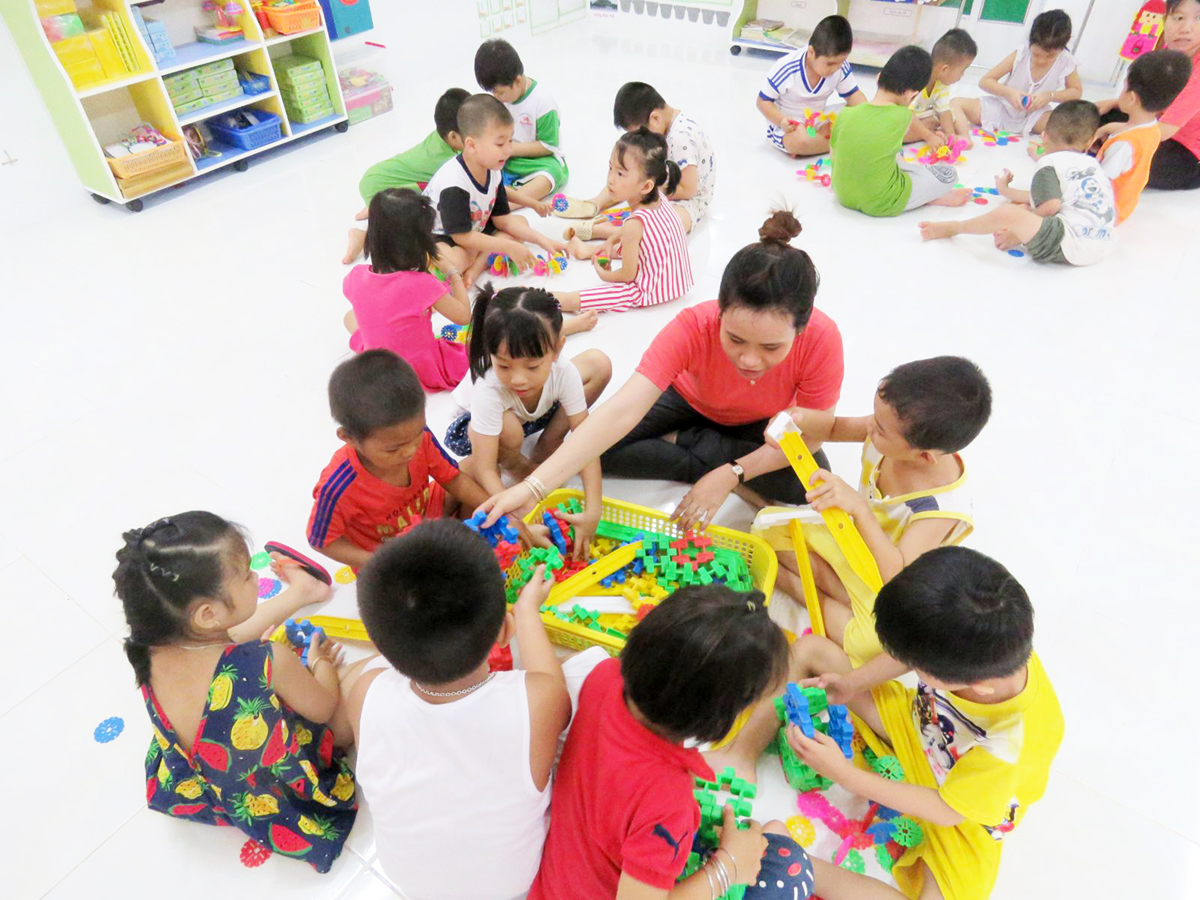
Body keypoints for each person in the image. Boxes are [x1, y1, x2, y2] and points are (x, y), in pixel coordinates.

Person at [477, 212, 844, 533]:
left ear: (801, 328)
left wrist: (730, 473)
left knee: (806, 481)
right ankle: (699, 446)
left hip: (761, 421)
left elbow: (811, 436)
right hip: (688, 402)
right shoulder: (693, 326)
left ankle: (693, 448)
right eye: (734, 339)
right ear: (719, 311)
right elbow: (620, 411)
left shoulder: (822, 339)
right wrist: (533, 487)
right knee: (596, 449)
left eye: (771, 348)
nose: (749, 360)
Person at [341, 520, 605, 900]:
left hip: (408, 877)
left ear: (377, 639)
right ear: (504, 631)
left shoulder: (364, 692)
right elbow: (551, 687)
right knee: (589, 669)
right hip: (511, 883)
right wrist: (527, 611)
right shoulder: (538, 701)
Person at [787, 548, 1064, 900]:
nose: (910, 666)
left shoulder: (1016, 742)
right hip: (915, 730)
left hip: (960, 812)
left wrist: (844, 774)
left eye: (919, 667)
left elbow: (947, 811)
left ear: (977, 685)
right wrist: (853, 683)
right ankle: (743, 752)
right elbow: (907, 652)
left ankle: (796, 865)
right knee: (813, 650)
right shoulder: (982, 646)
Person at [527, 585, 825, 900]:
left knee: (771, 835)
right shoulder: (667, 802)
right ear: (720, 720)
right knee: (791, 868)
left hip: (556, 883)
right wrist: (728, 867)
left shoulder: (603, 677)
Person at [115, 512, 356, 871]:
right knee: (355, 687)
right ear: (207, 614)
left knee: (230, 642)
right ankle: (307, 597)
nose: (256, 577)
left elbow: (224, 640)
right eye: (246, 575)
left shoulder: (150, 646)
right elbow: (322, 708)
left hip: (203, 782)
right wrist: (321, 663)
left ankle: (303, 591)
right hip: (274, 790)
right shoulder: (269, 659)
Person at [755, 356, 992, 663]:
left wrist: (859, 510)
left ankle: (792, 582)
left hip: (886, 575)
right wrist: (798, 417)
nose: (869, 427)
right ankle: (841, 596)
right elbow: (835, 427)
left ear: (924, 456)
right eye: (875, 416)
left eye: (879, 429)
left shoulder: (940, 508)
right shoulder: (891, 428)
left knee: (873, 642)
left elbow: (896, 573)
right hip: (849, 542)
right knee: (766, 526)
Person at [445, 285, 612, 555]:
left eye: (532, 366)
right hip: (476, 425)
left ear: (557, 350)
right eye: (504, 365)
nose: (519, 379)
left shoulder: (562, 371)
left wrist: (594, 509)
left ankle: (548, 443)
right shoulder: (488, 387)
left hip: (529, 413)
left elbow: (586, 441)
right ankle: (514, 462)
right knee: (509, 431)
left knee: (598, 363)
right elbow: (486, 470)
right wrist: (515, 517)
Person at [306, 350, 499, 570]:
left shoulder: (417, 436)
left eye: (416, 435)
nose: (410, 451)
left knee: (473, 467)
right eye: (393, 449)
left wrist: (498, 511)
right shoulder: (337, 487)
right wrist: (382, 561)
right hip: (395, 554)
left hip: (429, 516)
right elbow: (320, 541)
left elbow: (454, 479)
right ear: (348, 438)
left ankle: (466, 541)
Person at [920, 101, 1117, 266]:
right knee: (1025, 208)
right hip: (1103, 244)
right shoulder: (1092, 165)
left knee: (1010, 213)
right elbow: (1051, 197)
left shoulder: (1048, 163)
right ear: (1090, 141)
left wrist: (1016, 234)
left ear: (1044, 136)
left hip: (1069, 243)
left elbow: (1050, 205)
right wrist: (1007, 191)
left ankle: (955, 228)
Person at [423, 94, 567, 285]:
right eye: (500, 144)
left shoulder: (493, 168)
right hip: (444, 235)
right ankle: (470, 258)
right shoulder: (454, 184)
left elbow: (503, 221)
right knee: (458, 260)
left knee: (520, 223)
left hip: (474, 227)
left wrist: (544, 241)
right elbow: (461, 236)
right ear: (471, 145)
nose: (508, 150)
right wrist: (507, 246)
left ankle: (475, 269)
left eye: (510, 141)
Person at [554, 129, 694, 319]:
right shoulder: (659, 198)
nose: (610, 179)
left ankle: (545, 299)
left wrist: (604, 275)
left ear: (646, 186)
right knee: (629, 244)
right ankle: (587, 251)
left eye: (620, 173)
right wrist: (610, 240)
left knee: (581, 298)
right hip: (677, 281)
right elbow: (639, 235)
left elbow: (628, 275)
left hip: (651, 290)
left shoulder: (634, 224)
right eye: (610, 168)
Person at [342, 189, 470, 392]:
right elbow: (463, 316)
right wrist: (453, 273)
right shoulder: (422, 284)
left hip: (381, 365)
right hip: (420, 367)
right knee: (475, 349)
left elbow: (382, 299)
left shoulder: (354, 277)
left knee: (350, 317)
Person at [556, 82, 715, 237]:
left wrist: (647, 190)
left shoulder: (680, 139)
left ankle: (603, 230)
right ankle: (595, 203)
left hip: (688, 202)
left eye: (641, 133)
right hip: (657, 181)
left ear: (655, 118)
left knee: (666, 227)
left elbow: (688, 190)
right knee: (625, 175)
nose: (642, 138)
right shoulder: (663, 126)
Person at [831, 45, 972, 217]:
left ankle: (921, 195)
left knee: (894, 157)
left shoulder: (845, 113)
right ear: (911, 94)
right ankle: (928, 198)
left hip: (843, 195)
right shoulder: (903, 115)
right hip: (881, 203)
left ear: (879, 77)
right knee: (948, 174)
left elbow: (834, 156)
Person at [342, 88, 470, 265]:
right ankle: (365, 236)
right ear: (454, 136)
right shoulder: (450, 161)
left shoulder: (443, 137)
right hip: (380, 185)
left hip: (377, 178)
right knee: (417, 224)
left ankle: (375, 206)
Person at [1097, 0, 1200, 191]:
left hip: (1186, 154)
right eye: (1178, 18)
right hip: (1153, 127)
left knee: (1128, 151)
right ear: (1165, 20)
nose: (1186, 28)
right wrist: (1115, 104)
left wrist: (1112, 129)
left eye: (1198, 18)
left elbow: (1163, 131)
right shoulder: (1168, 54)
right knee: (1096, 115)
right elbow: (1145, 101)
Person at [950, 9, 1082, 138]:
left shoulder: (1066, 61)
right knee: (956, 103)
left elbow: (1076, 91)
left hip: (1035, 116)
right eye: (1036, 54)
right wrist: (1009, 93)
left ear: (1062, 49)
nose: (1041, 61)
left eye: (1050, 56)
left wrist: (1050, 96)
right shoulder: (1021, 54)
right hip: (1002, 108)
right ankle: (963, 137)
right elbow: (985, 81)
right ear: (1030, 43)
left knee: (1071, 125)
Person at [1096, 50, 1193, 222]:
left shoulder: (1123, 144)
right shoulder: (1153, 130)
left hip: (1104, 211)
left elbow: (1098, 180)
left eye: (1124, 86)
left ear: (1131, 98)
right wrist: (1107, 128)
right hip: (1124, 205)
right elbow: (1131, 130)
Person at [756, 14, 866, 157]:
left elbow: (853, 94)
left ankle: (817, 143)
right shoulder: (787, 68)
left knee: (856, 113)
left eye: (841, 62)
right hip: (791, 124)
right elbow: (762, 101)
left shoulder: (840, 66)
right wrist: (781, 120)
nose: (836, 68)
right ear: (811, 53)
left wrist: (868, 114)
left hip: (819, 118)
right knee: (799, 141)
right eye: (830, 64)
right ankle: (830, 143)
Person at [475, 38, 567, 201]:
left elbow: (548, 146)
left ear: (517, 81)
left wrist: (509, 149)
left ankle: (506, 203)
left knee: (554, 173)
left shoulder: (543, 102)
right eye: (493, 92)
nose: (497, 97)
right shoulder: (501, 99)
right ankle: (494, 195)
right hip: (506, 160)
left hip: (535, 161)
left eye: (500, 92)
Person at [904, 29, 978, 149]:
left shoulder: (941, 83)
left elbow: (944, 112)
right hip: (900, 116)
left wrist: (950, 136)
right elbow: (906, 114)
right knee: (901, 131)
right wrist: (929, 136)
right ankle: (926, 134)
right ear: (945, 69)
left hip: (917, 116)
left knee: (945, 117)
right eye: (962, 71)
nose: (962, 76)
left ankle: (956, 136)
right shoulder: (917, 79)